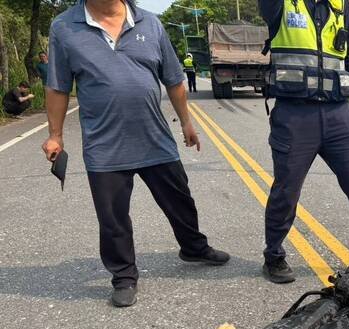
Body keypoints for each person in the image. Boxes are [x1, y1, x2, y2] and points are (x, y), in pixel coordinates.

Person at [42, 0, 229, 308]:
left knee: (180, 200)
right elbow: (58, 86)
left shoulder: (150, 23)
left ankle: (194, 247)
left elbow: (173, 78)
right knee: (113, 217)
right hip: (105, 145)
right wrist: (55, 135)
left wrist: (186, 122)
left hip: (155, 138)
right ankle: (124, 276)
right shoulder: (64, 27)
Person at [259, 0, 349, 284]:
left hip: (338, 114)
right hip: (294, 115)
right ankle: (274, 255)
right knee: (286, 191)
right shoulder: (281, 5)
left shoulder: (342, 7)